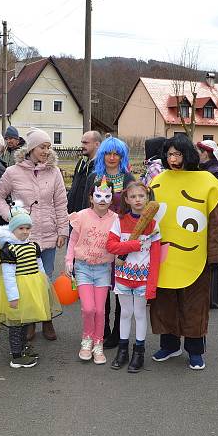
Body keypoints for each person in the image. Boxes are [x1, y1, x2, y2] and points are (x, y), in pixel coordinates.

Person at [149, 134, 218, 370]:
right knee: (165, 303)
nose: (173, 159)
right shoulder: (158, 181)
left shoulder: (206, 182)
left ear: (188, 155)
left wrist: (215, 256)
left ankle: (195, 350)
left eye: (178, 154)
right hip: (163, 255)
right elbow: (147, 218)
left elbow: (214, 223)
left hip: (195, 256)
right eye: (170, 154)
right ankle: (170, 344)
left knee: (195, 305)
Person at [0, 128, 68, 341]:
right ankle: (30, 320)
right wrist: (11, 217)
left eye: (49, 147)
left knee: (46, 278)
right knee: (26, 279)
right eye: (43, 147)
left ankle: (47, 319)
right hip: (25, 237)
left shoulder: (54, 172)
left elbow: (61, 203)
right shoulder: (13, 172)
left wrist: (63, 230)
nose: (46, 151)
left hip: (49, 233)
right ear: (32, 148)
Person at [0, 203, 61, 368]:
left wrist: (45, 284)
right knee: (16, 323)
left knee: (25, 320)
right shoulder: (9, 250)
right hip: (18, 289)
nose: (24, 231)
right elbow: (8, 275)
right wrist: (13, 296)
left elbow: (40, 266)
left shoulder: (33, 246)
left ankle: (22, 347)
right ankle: (16, 355)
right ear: (12, 230)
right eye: (20, 228)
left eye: (27, 228)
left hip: (33, 288)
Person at [84, 136, 136, 348]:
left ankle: (117, 332)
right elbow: (85, 209)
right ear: (102, 154)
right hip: (98, 241)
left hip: (121, 241)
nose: (112, 157)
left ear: (122, 156)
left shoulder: (128, 178)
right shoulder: (94, 177)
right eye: (108, 153)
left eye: (116, 154)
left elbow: (135, 212)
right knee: (101, 287)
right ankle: (102, 330)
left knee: (120, 289)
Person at [106, 181, 161, 373]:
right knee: (125, 313)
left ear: (147, 198)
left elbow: (155, 257)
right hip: (122, 277)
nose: (138, 200)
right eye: (133, 197)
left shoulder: (153, 224)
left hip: (142, 279)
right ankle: (123, 350)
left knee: (139, 314)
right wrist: (133, 245)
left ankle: (139, 351)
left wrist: (152, 284)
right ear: (127, 200)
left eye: (141, 196)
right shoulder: (119, 221)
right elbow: (111, 246)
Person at [64, 177, 118, 364]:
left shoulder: (115, 220)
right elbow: (73, 240)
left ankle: (98, 343)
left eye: (107, 196)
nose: (102, 199)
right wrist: (69, 259)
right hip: (83, 267)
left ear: (112, 198)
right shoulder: (81, 216)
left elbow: (119, 244)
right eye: (98, 195)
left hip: (103, 269)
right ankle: (86, 340)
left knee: (100, 310)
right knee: (88, 308)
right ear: (91, 198)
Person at [196, 140, 218, 310]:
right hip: (206, 221)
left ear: (205, 153)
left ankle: (210, 298)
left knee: (211, 257)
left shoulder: (214, 172)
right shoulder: (207, 170)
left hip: (212, 221)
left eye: (198, 151)